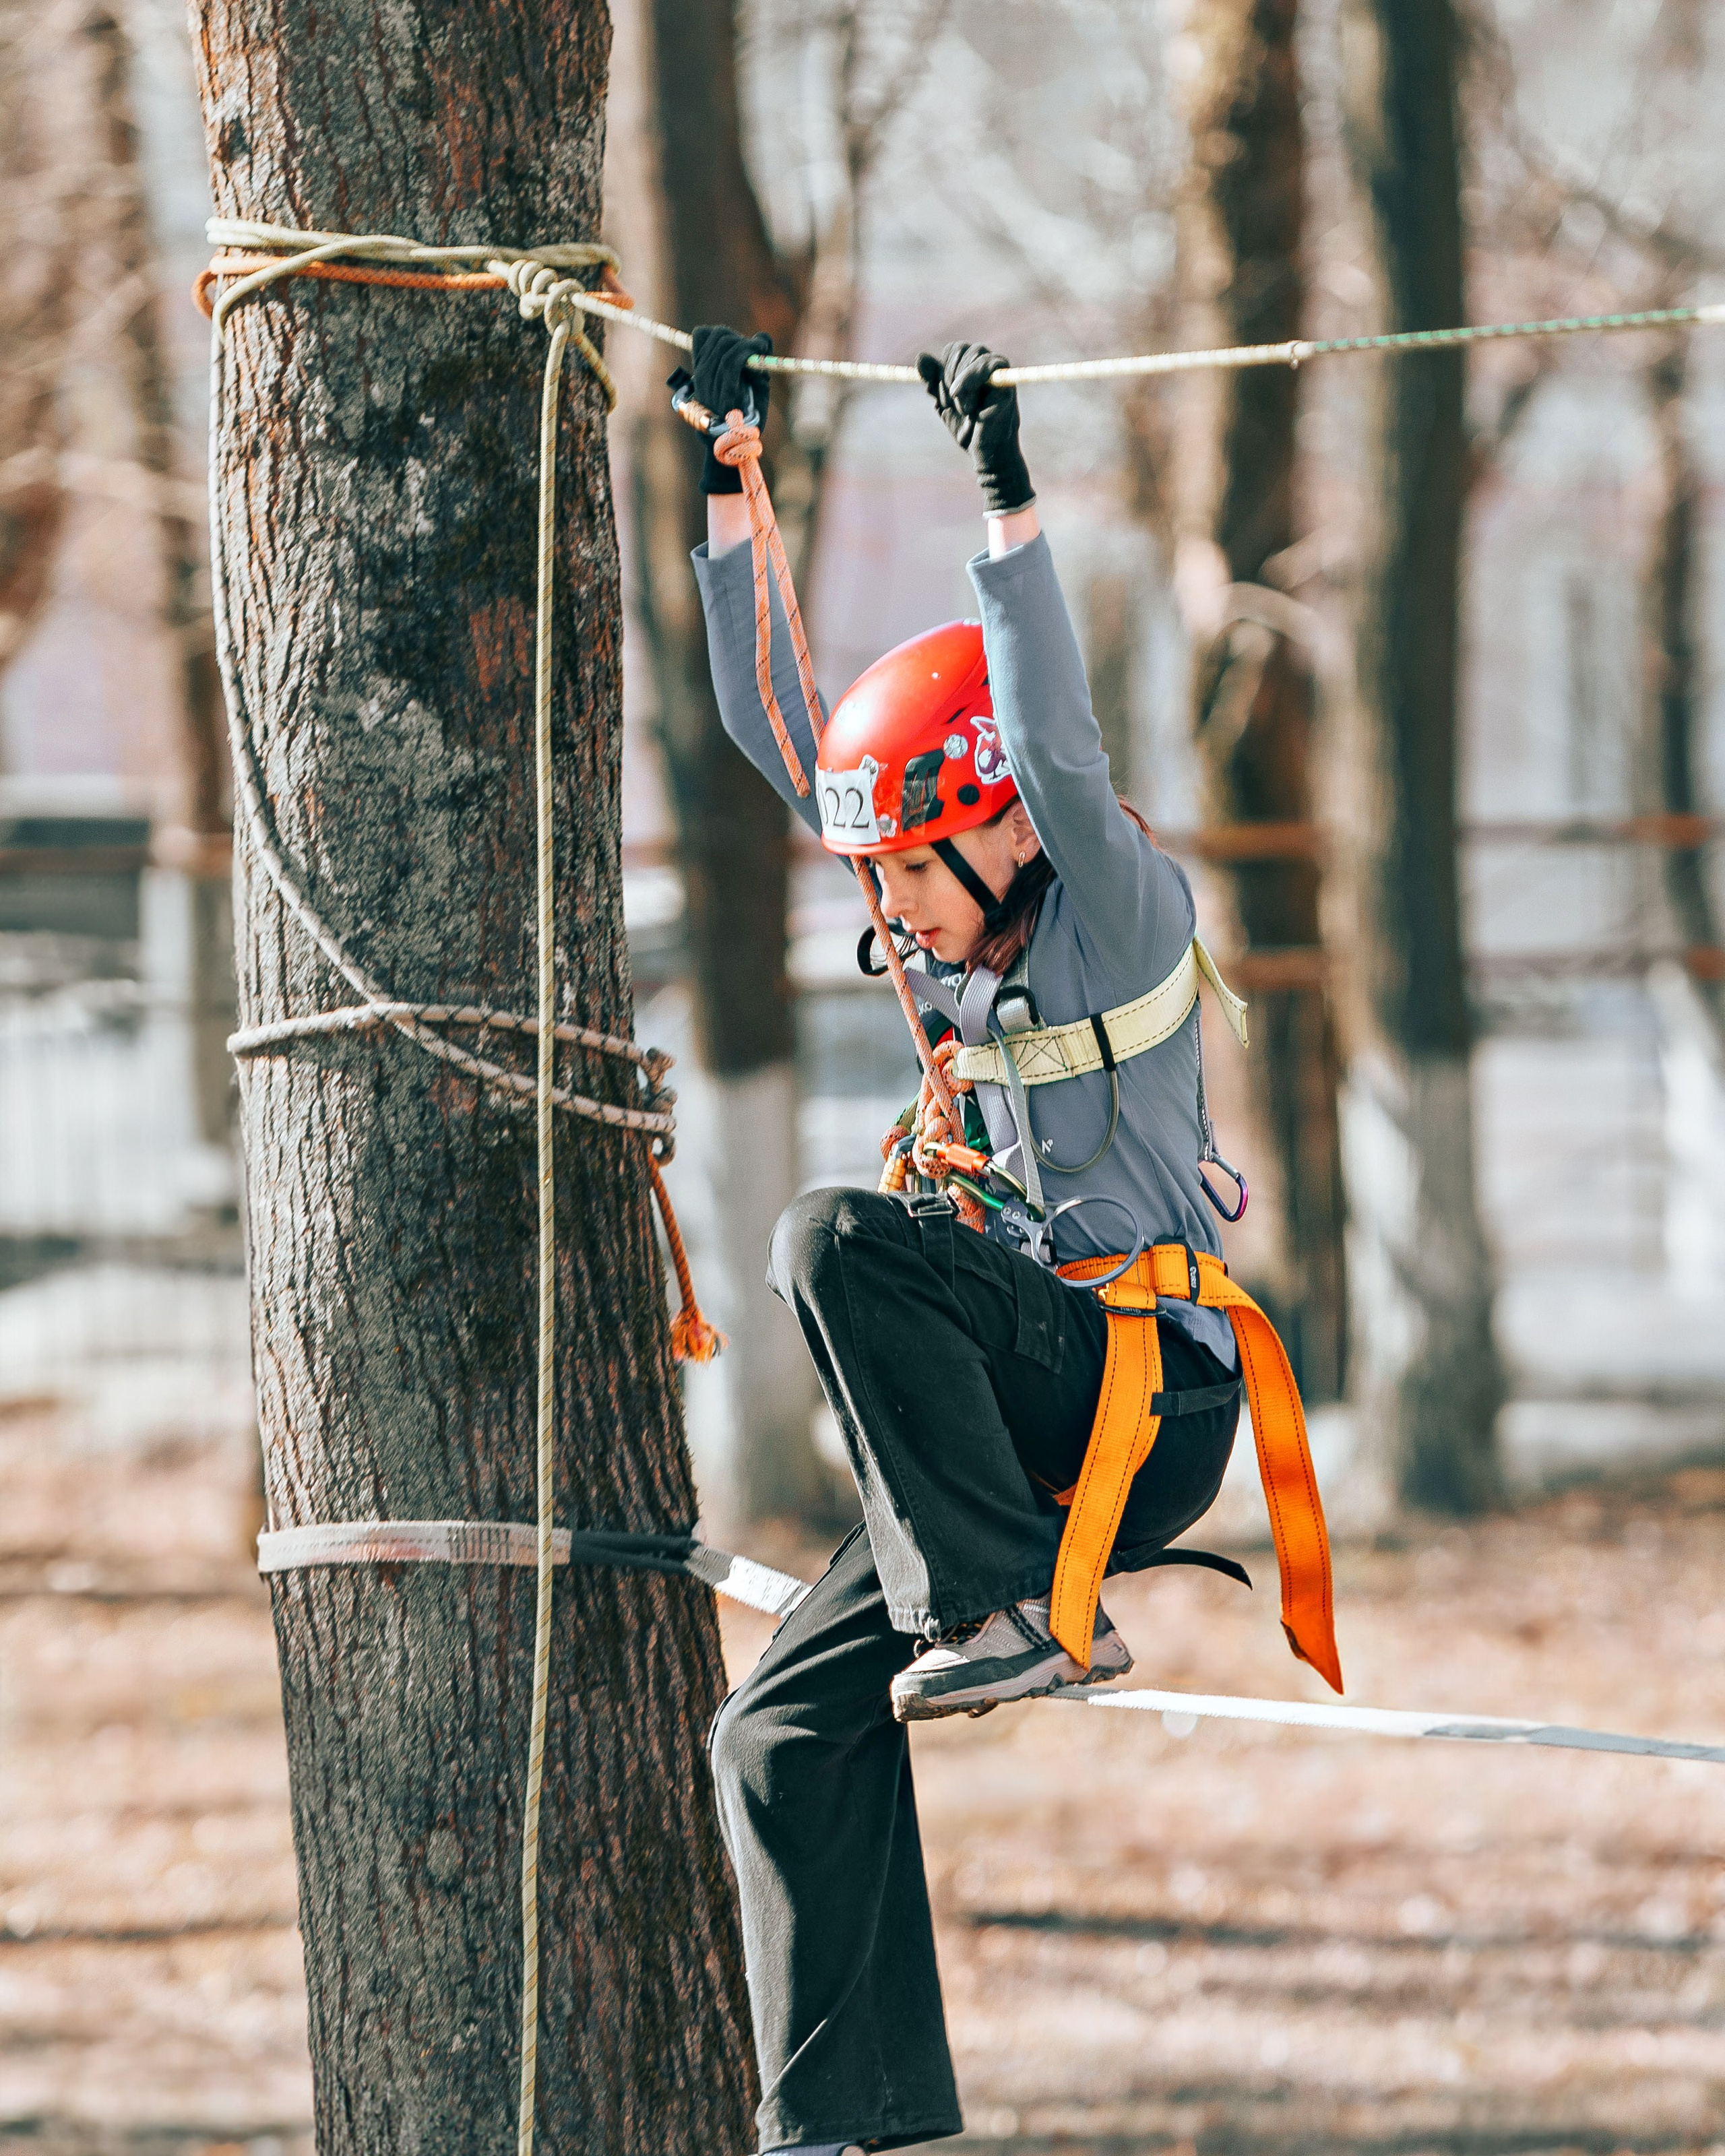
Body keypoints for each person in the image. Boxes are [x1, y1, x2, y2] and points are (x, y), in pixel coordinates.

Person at [676, 324, 1282, 2156]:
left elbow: (1054, 725)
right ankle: (847, 2129)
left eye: (919, 875)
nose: (898, 923)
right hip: (998, 1458)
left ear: (1004, 833)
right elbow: (784, 733)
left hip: (1137, 1400)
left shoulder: (1103, 896)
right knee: (777, 1735)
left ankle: (1001, 1612)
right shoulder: (946, 927)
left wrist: (1003, 497)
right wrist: (729, 488)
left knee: (830, 1238)